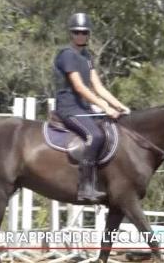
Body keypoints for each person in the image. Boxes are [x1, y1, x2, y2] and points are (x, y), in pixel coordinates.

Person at [53, 12, 130, 202]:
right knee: (95, 135)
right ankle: (85, 186)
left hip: (84, 108)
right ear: (71, 34)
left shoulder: (87, 56)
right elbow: (79, 87)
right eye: (77, 32)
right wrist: (104, 106)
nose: (80, 36)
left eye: (84, 32)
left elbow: (98, 86)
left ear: (88, 34)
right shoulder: (67, 55)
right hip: (69, 108)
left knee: (110, 131)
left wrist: (120, 106)